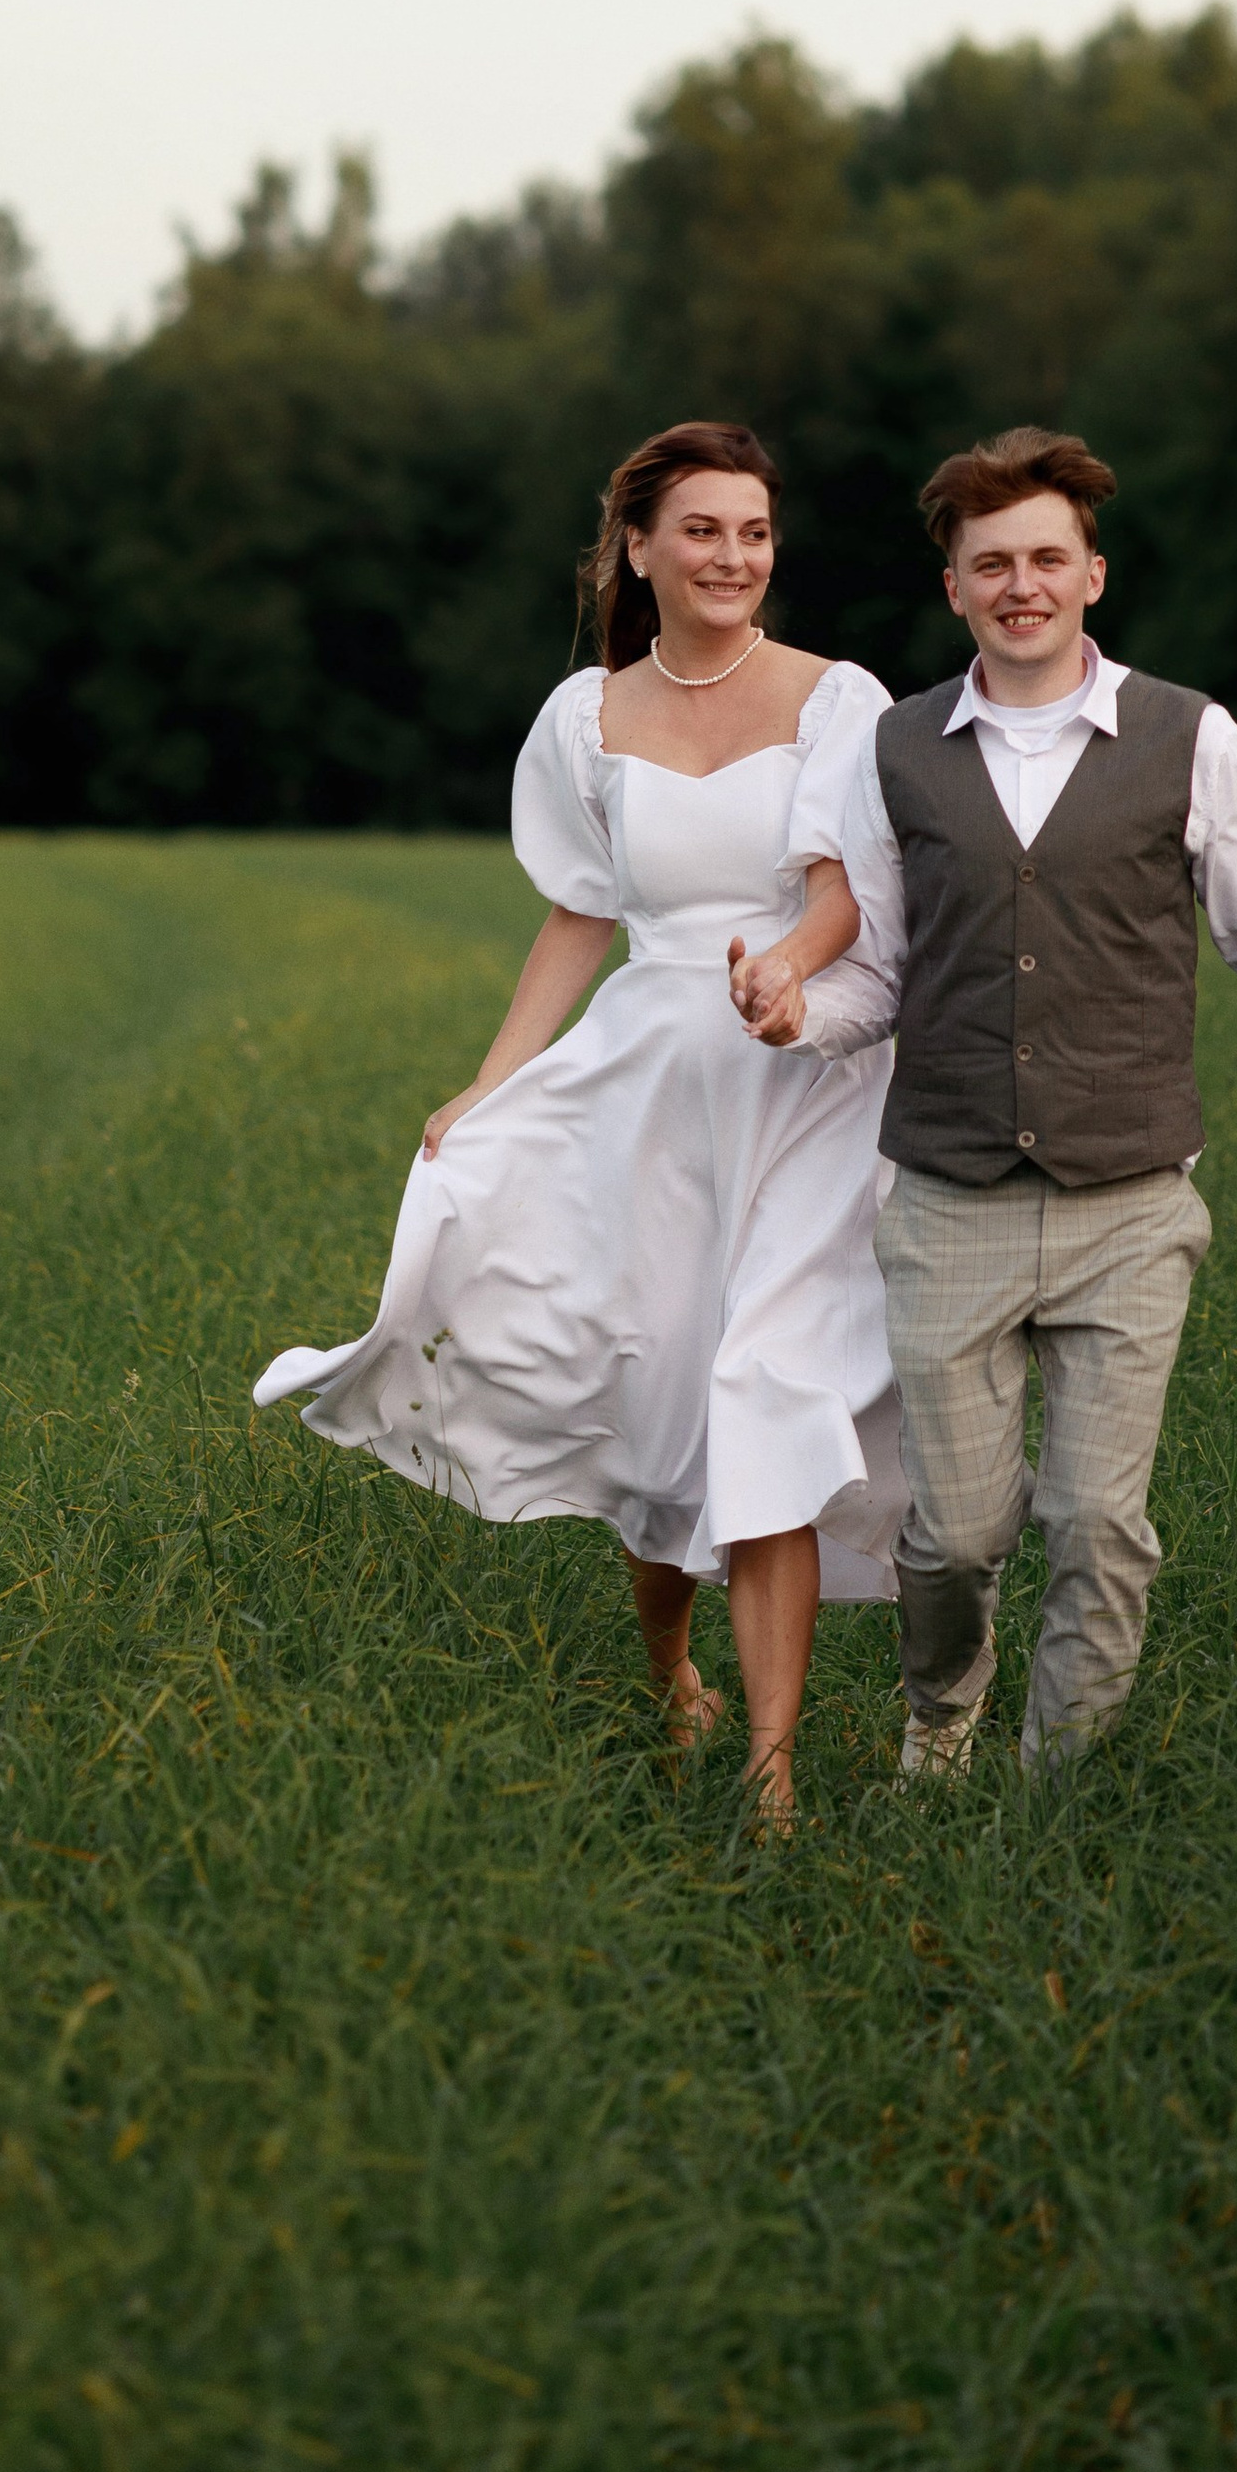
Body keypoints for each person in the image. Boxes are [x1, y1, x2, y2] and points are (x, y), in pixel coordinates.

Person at [729, 425, 1237, 1780]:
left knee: (1101, 1522)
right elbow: (873, 978)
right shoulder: (896, 751)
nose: (1021, 583)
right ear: (954, 587)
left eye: (1047, 556)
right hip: (945, 1204)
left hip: (1131, 1205)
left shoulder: (1191, 738)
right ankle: (941, 1714)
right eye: (990, 561)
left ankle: (1061, 1788)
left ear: (1093, 574)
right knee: (952, 1534)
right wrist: (792, 1009)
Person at [253, 421, 907, 1824]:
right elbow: (578, 914)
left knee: (769, 1384)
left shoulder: (839, 696)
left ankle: (774, 1772)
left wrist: (786, 969)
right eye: (705, 530)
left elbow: (846, 890)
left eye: (754, 531)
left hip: (800, 1075)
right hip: (648, 1080)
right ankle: (671, 1666)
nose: (734, 555)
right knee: (659, 1383)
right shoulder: (585, 718)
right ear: (641, 547)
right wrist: (493, 1081)